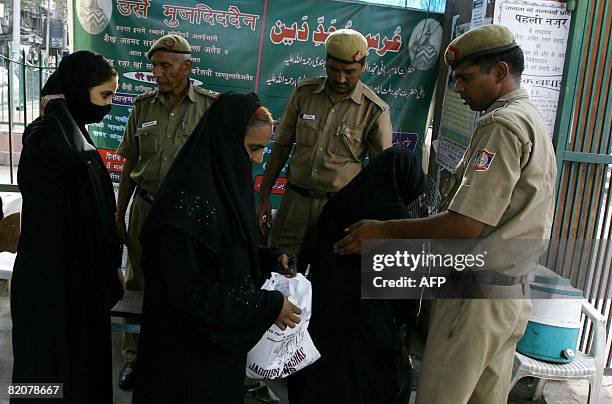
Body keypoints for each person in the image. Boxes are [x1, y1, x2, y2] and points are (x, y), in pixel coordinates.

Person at [334, 25, 557, 404]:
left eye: (467, 79)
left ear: (500, 72)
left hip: (474, 300)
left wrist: (382, 231)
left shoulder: (501, 126)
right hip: (511, 295)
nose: (459, 89)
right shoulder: (530, 117)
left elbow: (466, 224)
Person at [132, 92, 302, 404]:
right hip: (183, 363)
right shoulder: (184, 211)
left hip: (214, 357)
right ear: (227, 140)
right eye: (254, 147)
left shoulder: (222, 187)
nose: (259, 159)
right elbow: (195, 295)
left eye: (263, 148)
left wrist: (266, 259)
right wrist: (268, 306)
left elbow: (226, 248)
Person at [10, 50, 124, 403]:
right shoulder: (45, 140)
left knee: (80, 376)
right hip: (48, 289)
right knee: (42, 377)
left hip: (80, 285)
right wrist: (57, 109)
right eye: (104, 95)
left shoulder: (77, 135)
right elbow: (60, 166)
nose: (107, 105)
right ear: (75, 90)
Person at [115, 34, 217, 389]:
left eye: (165, 66)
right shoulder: (142, 106)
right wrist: (120, 213)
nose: (157, 73)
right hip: (146, 208)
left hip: (187, 216)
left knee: (184, 284)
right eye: (154, 65)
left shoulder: (209, 107)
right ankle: (134, 358)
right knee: (138, 282)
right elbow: (130, 163)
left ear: (187, 67)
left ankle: (176, 357)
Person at [288, 147, 427, 403]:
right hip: (369, 334)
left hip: (322, 322)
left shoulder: (339, 203)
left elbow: (310, 253)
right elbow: (405, 300)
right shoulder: (395, 222)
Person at [256, 28, 392, 272]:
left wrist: (372, 223)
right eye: (334, 69)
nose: (340, 79)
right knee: (277, 272)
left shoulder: (375, 110)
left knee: (328, 283)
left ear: (363, 67)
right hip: (294, 205)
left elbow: (382, 175)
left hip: (338, 212)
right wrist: (264, 197)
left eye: (349, 72)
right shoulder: (303, 94)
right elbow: (282, 146)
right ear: (325, 63)